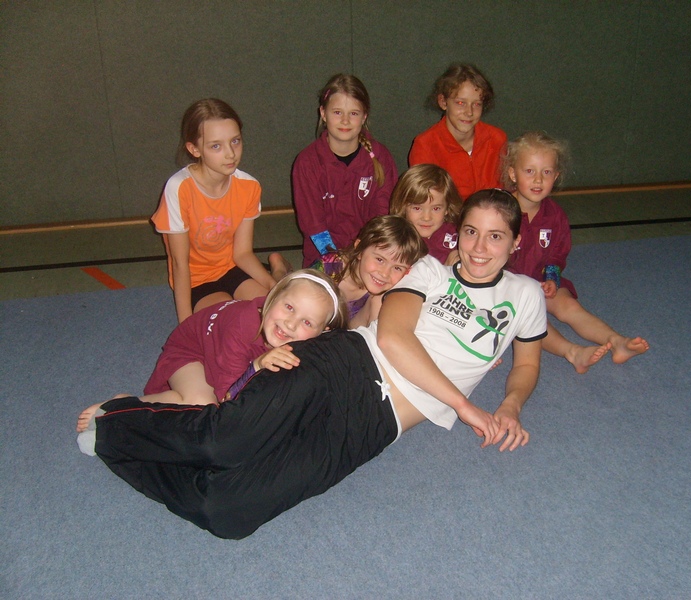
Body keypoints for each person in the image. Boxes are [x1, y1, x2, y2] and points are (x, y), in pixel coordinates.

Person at [76, 189, 548, 540]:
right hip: (346, 363)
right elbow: (393, 337)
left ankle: (118, 446)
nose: (479, 247)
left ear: (516, 240)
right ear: (458, 233)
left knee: (228, 513)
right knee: (226, 438)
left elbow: (526, 364)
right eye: (471, 232)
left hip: (376, 424)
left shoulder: (525, 295)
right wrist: (463, 405)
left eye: (495, 236)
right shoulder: (428, 270)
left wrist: (511, 405)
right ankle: (118, 419)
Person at [76, 270, 348, 432]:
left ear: (321, 332)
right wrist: (257, 365)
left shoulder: (306, 340)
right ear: (273, 297)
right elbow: (229, 398)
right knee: (203, 406)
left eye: (307, 322)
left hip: (220, 351)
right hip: (191, 352)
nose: (290, 324)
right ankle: (125, 406)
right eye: (289, 307)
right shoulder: (241, 326)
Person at [503, 131, 649, 371]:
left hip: (541, 279)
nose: (538, 180)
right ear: (512, 174)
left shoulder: (555, 215)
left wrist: (551, 277)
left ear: (556, 176)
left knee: (569, 306)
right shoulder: (500, 210)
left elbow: (557, 253)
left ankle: (617, 341)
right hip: (506, 286)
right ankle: (573, 352)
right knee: (530, 318)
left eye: (546, 172)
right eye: (529, 171)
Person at [152, 98, 292, 323]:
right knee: (234, 322)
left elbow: (242, 253)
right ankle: (276, 269)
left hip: (233, 268)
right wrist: (185, 324)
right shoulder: (179, 189)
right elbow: (180, 264)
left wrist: (272, 286)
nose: (230, 154)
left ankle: (277, 271)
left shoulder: (249, 186)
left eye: (235, 141)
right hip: (198, 280)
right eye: (216, 146)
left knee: (277, 314)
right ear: (194, 149)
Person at [292, 74, 398, 267]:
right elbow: (313, 225)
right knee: (331, 287)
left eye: (354, 113)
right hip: (324, 255)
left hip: (369, 252)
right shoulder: (307, 163)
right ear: (323, 113)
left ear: (364, 116)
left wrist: (363, 256)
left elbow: (383, 216)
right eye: (337, 112)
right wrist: (338, 262)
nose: (345, 121)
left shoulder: (380, 157)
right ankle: (280, 267)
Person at [408, 63, 507, 201]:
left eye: (477, 104)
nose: (469, 112)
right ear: (443, 102)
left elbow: (503, 192)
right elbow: (427, 202)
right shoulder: (425, 145)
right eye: (460, 103)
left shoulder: (497, 139)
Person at [311, 215, 427, 327]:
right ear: (360, 249)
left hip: (346, 334)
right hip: (311, 327)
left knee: (381, 300)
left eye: (397, 268)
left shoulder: (384, 290)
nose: (384, 273)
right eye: (380, 260)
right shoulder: (329, 267)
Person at [389, 164, 461, 264]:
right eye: (417, 208)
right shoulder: (399, 240)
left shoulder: (459, 233)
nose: (426, 218)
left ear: (447, 208)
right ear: (403, 206)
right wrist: (446, 268)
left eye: (436, 209)